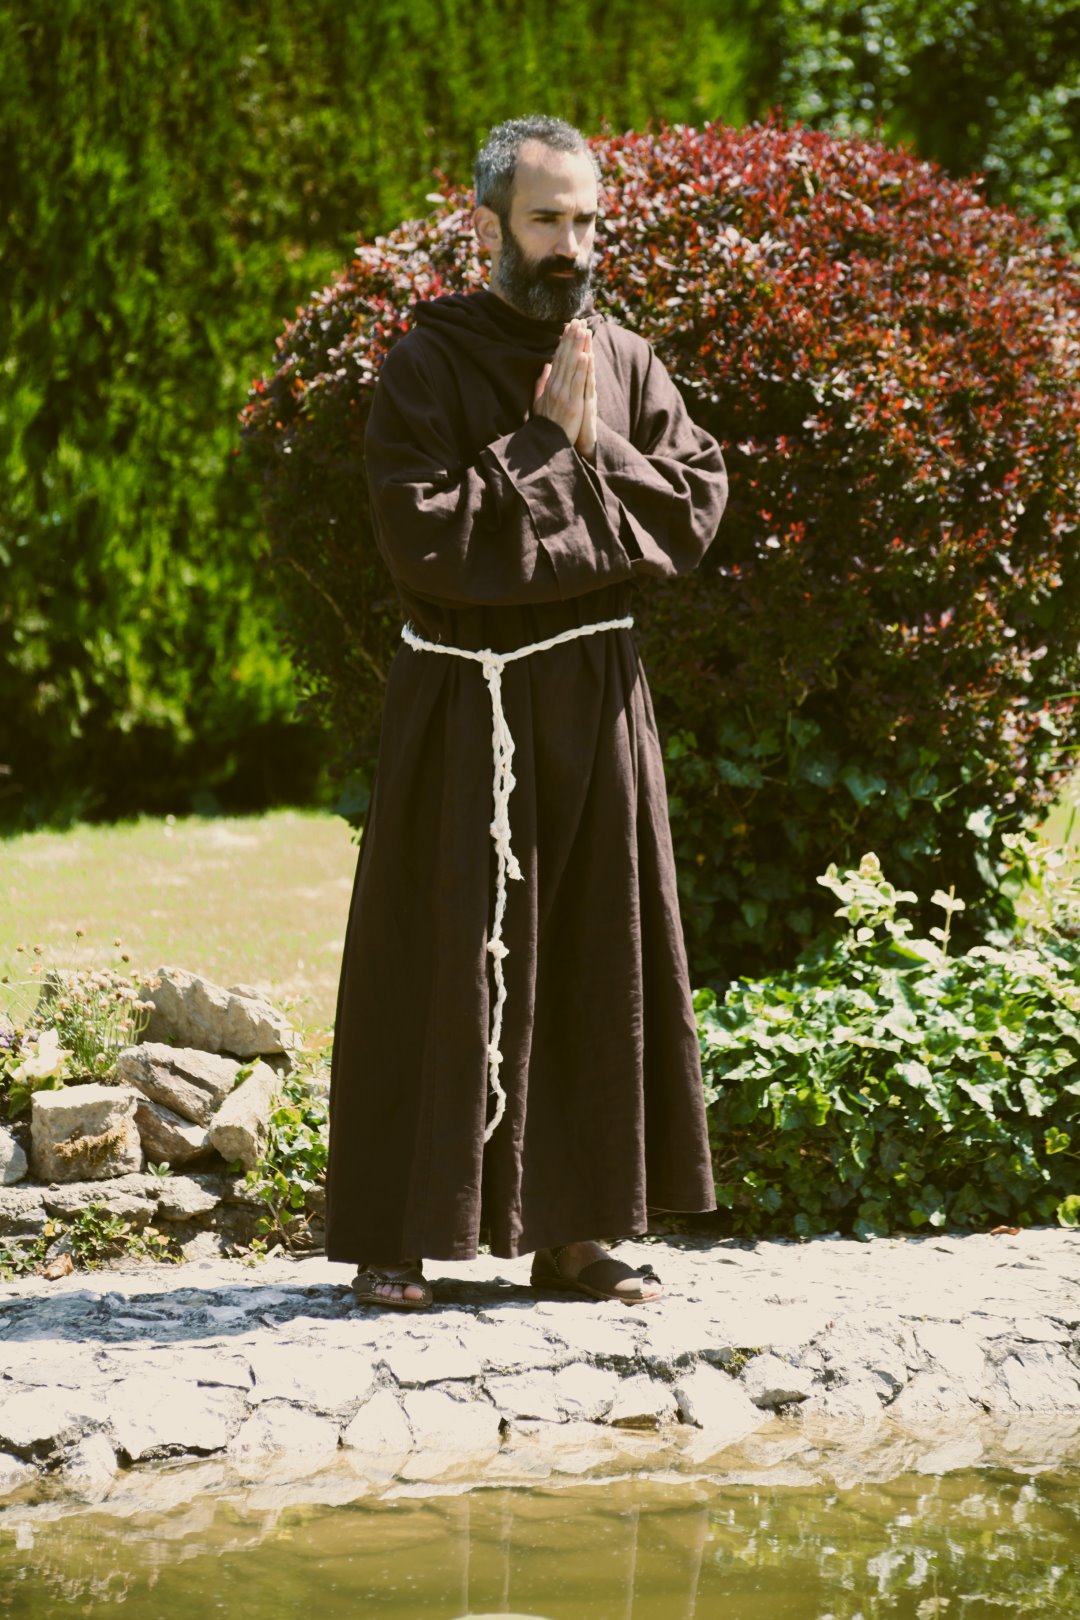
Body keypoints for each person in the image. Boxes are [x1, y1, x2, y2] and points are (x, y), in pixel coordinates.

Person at [325, 114, 728, 1309]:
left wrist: (591, 444)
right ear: (489, 225)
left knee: (599, 957)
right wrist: (553, 447)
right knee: (432, 957)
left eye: (588, 220)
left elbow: (691, 509)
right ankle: (396, 1236)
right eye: (548, 219)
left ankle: (578, 1236)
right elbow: (428, 540)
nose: (573, 245)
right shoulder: (426, 366)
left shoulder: (628, 363)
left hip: (595, 704)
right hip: (467, 706)